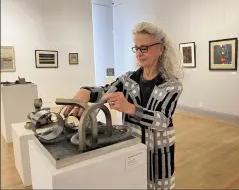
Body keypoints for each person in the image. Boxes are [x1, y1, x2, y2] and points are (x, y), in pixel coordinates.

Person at [64, 21, 183, 189]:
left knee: (158, 184)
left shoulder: (171, 85)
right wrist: (87, 91)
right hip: (133, 144)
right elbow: (106, 91)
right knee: (134, 181)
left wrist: (130, 108)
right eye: (136, 48)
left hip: (158, 148)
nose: (139, 53)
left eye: (144, 48)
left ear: (160, 49)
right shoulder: (127, 79)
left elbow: (163, 121)